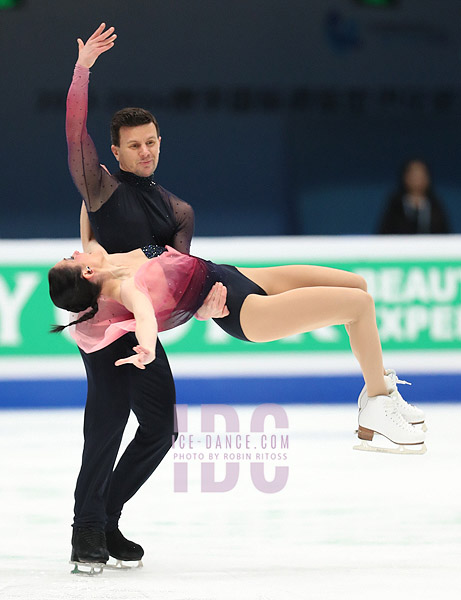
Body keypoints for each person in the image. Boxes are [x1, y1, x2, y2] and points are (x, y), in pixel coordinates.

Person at [64, 23, 228, 571]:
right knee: (106, 423)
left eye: (152, 142)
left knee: (161, 427)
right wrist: (83, 68)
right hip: (103, 328)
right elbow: (73, 135)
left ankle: (107, 515)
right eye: (134, 145)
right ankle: (85, 529)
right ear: (116, 151)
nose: (145, 151)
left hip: (143, 329)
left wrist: (184, 314)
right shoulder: (101, 187)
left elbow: (179, 279)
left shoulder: (178, 212)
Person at [49, 233, 427, 460]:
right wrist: (147, 347)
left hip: (237, 276)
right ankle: (375, 405)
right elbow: (145, 316)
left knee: (356, 286)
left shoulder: (110, 260)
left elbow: (90, 224)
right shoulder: (124, 286)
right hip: (245, 311)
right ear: (86, 273)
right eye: (71, 258)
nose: (75, 251)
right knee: (359, 307)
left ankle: (377, 387)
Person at [378, 159, 451, 234]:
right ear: (405, 177)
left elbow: (444, 233)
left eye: (421, 175)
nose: (417, 179)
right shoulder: (396, 204)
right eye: (413, 174)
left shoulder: (435, 204)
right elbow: (385, 233)